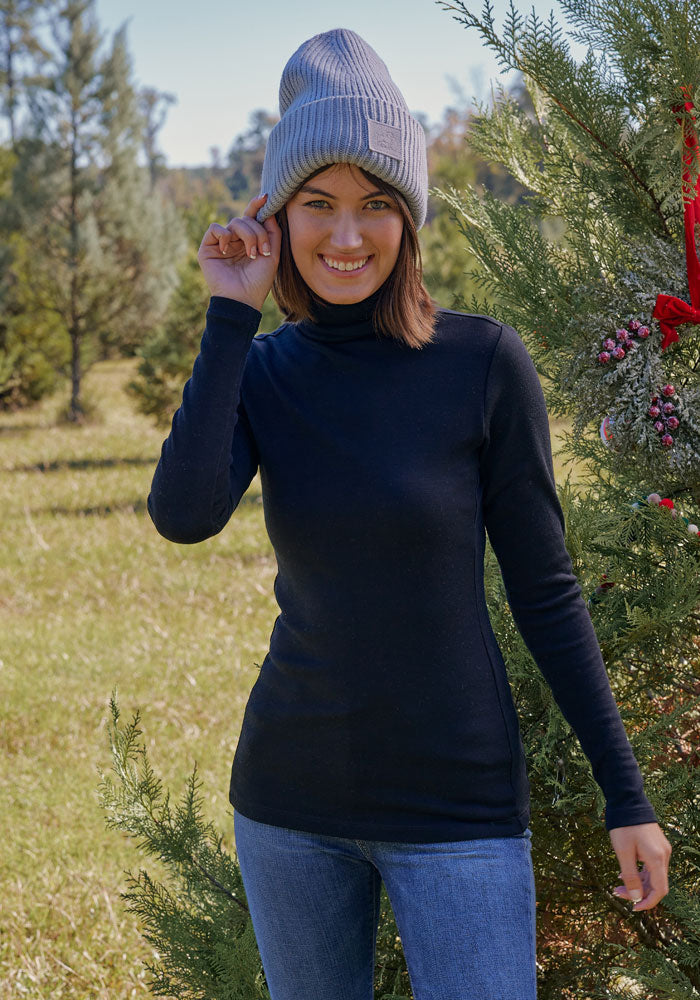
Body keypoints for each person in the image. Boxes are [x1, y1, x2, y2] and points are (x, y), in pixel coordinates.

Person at [147, 27, 671, 1000]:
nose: (347, 236)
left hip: (457, 808)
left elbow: (546, 590)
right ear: (279, 214)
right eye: (318, 203)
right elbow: (183, 515)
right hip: (288, 803)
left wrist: (624, 795)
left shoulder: (480, 364)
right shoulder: (262, 370)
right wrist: (230, 313)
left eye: (375, 203)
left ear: (410, 215)